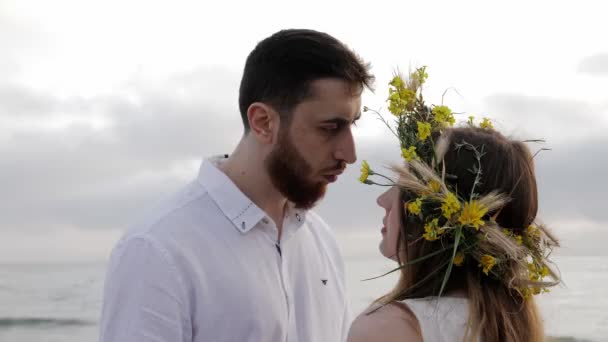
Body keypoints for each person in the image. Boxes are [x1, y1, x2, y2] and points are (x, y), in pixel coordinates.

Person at [99, 28, 374, 342]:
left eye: (351, 125)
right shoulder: (157, 249)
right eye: (329, 128)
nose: (349, 154)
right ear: (263, 122)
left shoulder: (320, 239)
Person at [348, 68, 560, 342]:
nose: (383, 199)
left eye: (403, 184)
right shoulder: (514, 322)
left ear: (432, 211)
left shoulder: (390, 328)